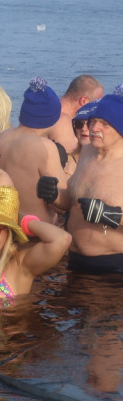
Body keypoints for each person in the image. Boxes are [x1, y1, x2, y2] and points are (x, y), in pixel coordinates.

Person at [64, 93, 123, 274]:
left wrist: (111, 215)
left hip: (113, 269)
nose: (94, 127)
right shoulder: (87, 152)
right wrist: (53, 195)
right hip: (74, 262)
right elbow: (73, 203)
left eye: (105, 124)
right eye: (93, 121)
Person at [0, 77, 71, 223]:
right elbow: (64, 202)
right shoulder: (44, 147)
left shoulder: (2, 137)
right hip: (34, 231)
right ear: (52, 118)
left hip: (4, 225)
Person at [48, 74, 104, 162]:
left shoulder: (49, 111)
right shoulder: (63, 122)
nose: (98, 109)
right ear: (84, 101)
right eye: (96, 103)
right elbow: (69, 165)